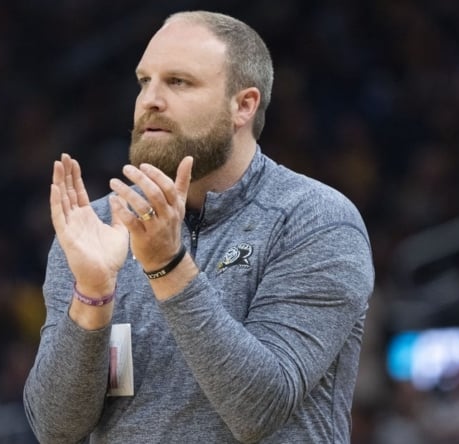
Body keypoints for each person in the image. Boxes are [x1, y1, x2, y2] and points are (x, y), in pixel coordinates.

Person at [23, 10, 374, 443]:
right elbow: (55, 429)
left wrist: (168, 266)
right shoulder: (95, 229)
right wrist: (92, 294)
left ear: (243, 105)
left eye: (178, 82)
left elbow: (258, 408)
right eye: (143, 81)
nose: (150, 99)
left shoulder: (315, 221)